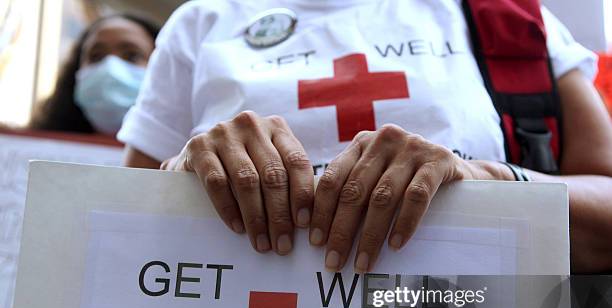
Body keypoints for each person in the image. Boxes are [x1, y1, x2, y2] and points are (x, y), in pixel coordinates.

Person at [120, 1, 612, 277]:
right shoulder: (202, 23)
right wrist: (182, 175)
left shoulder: (505, 20)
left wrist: (486, 177)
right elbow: (114, 237)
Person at [29, 14, 159, 136]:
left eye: (132, 56)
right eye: (96, 56)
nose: (110, 68)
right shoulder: (36, 145)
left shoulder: (177, 155)